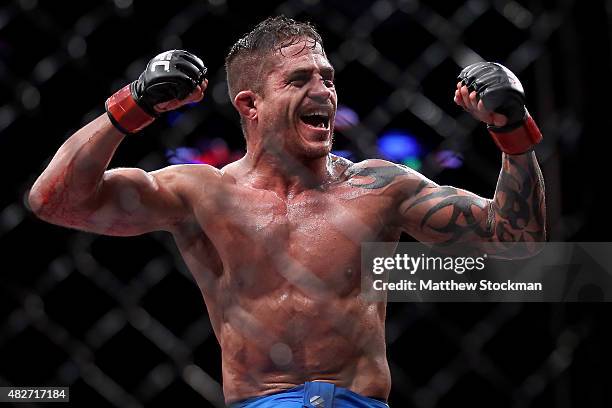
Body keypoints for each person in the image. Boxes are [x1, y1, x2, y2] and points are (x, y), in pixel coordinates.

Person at [29, 15, 546, 408]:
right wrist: (132, 106)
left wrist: (513, 132)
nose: (324, 92)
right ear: (250, 105)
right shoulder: (201, 193)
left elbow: (515, 243)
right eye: (300, 80)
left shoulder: (380, 185)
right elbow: (54, 201)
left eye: (328, 78)